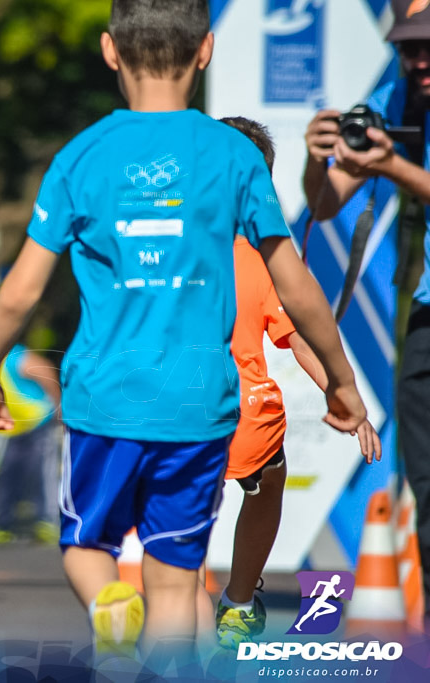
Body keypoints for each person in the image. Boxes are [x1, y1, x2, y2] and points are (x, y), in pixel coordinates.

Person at [0, 0, 368, 669]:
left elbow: (21, 290)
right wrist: (344, 379)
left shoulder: (81, 156)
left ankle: (106, 606)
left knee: (88, 548)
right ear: (205, 50)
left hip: (104, 399)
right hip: (200, 406)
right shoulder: (233, 156)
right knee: (177, 576)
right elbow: (294, 285)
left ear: (109, 51)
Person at [203, 117, 381, 652]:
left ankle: (193, 632)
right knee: (266, 482)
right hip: (240, 419)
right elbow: (303, 336)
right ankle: (236, 602)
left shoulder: (171, 242)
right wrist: (346, 397)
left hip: (177, 416)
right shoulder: (265, 254)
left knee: (181, 555)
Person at [303, 0, 430, 631]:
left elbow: (398, 172)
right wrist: (314, 155)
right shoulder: (398, 89)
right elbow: (325, 203)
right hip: (429, 316)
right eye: (409, 48)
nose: (421, 61)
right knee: (427, 486)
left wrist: (395, 167)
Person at [0, 344, 61, 545]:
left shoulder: (14, 357)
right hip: (14, 430)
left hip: (39, 422)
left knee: (41, 473)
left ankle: (47, 521)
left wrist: (58, 405)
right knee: (7, 475)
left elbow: (45, 371)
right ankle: (3, 523)